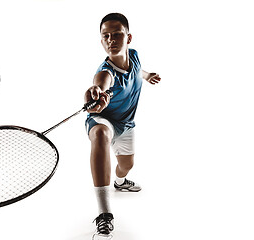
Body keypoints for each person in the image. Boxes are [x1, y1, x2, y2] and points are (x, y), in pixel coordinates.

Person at [84, 13, 161, 237]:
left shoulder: (135, 57)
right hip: (104, 119)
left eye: (117, 34)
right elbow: (100, 83)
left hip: (127, 125)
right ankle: (104, 214)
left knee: (126, 166)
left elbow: (137, 70)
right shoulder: (105, 72)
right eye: (105, 36)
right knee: (99, 134)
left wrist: (147, 76)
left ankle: (120, 182)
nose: (111, 39)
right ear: (101, 41)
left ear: (128, 38)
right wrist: (96, 93)